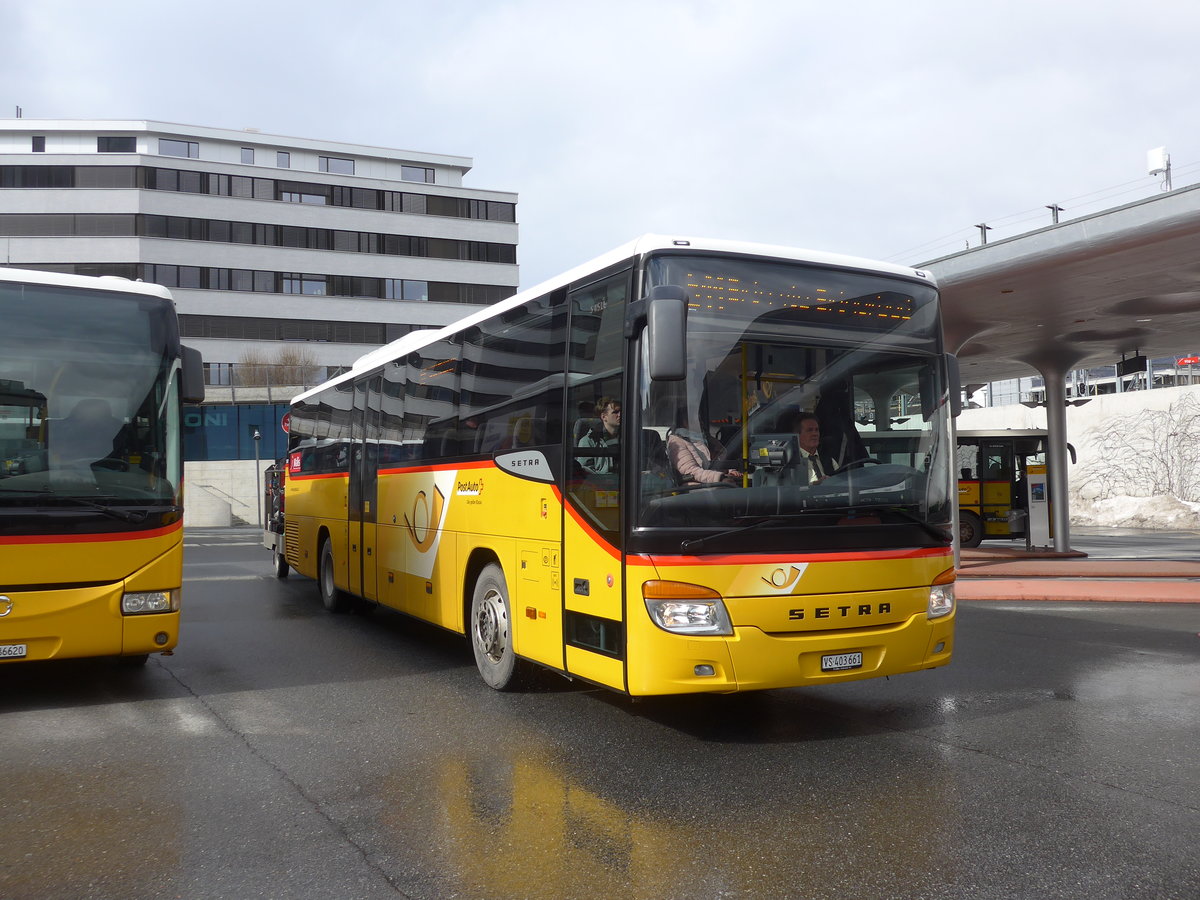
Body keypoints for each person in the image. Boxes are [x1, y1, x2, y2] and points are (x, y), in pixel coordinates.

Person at [666, 421, 741, 485]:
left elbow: (722, 458)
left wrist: (731, 471)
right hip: (696, 488)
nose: (700, 421)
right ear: (683, 422)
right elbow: (691, 472)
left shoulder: (707, 438)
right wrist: (720, 478)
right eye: (694, 418)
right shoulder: (676, 442)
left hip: (718, 484)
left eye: (700, 418)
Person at [578, 397, 620, 474]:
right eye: (615, 412)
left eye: (621, 411)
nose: (620, 415)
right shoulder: (588, 441)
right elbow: (584, 470)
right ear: (604, 417)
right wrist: (609, 476)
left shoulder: (629, 438)